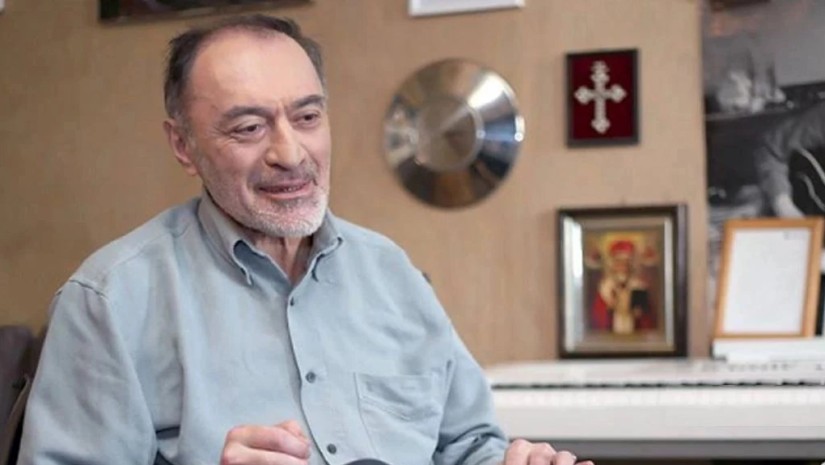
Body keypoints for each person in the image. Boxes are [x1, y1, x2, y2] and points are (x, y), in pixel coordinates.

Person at [15, 15, 591, 465]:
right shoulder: (109, 300)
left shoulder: (392, 273)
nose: (290, 153)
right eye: (248, 127)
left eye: (308, 117)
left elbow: (467, 445)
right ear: (183, 145)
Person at [589, 240, 655, 334]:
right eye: (619, 263)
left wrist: (637, 312)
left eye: (626, 263)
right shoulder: (605, 288)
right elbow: (598, 320)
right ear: (613, 266)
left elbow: (647, 321)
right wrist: (610, 308)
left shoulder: (639, 286)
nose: (623, 267)